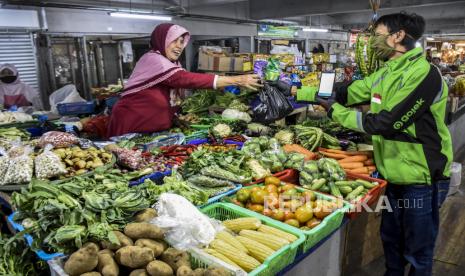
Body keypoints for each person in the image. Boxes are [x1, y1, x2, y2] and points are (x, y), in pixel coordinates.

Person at [295, 12, 452, 276]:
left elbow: (385, 123)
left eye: (376, 36)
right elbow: (345, 92)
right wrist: (296, 91)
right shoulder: (385, 73)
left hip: (422, 179)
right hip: (391, 176)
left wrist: (335, 112)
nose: (371, 43)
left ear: (398, 36)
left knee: (417, 252)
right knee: (391, 242)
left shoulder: (425, 75)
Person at [108, 23, 261, 137]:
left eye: (181, 42)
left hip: (150, 129)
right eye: (174, 41)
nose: (179, 46)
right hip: (130, 125)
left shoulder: (171, 64)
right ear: (161, 40)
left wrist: (172, 117)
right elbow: (183, 79)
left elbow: (167, 94)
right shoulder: (153, 59)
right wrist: (237, 80)